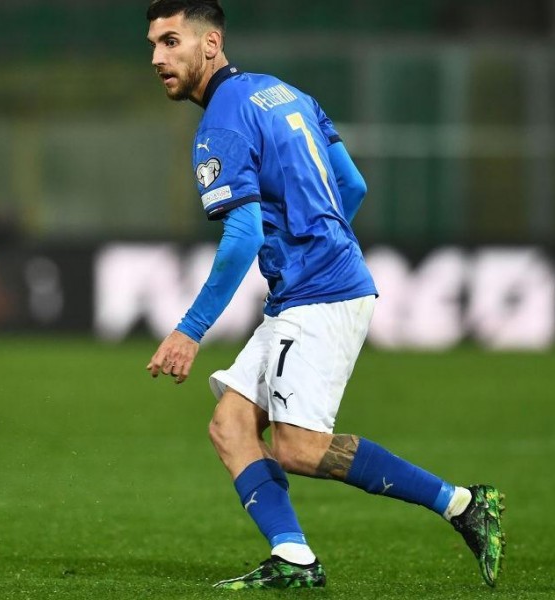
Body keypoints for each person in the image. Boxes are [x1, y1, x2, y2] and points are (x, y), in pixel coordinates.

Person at [144, 0, 505, 590]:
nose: (159, 57)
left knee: (300, 449)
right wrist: (319, 236)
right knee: (231, 425)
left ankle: (463, 504)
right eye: (154, 45)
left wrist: (190, 329)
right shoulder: (283, 93)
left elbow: (242, 238)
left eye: (172, 42)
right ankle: (294, 559)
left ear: (210, 44)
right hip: (316, 285)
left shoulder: (222, 123)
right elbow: (353, 184)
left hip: (319, 295)